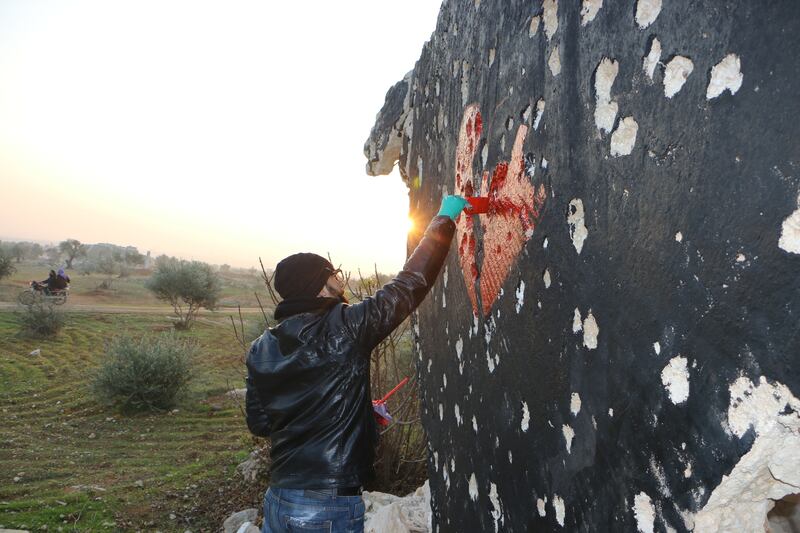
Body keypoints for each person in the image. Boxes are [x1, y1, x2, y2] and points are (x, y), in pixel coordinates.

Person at [245, 195, 469, 533]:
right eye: (332, 274)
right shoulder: (346, 326)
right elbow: (408, 285)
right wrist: (444, 219)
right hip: (328, 503)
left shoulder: (260, 347)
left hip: (280, 498)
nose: (340, 279)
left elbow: (262, 423)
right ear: (319, 284)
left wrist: (354, 411)